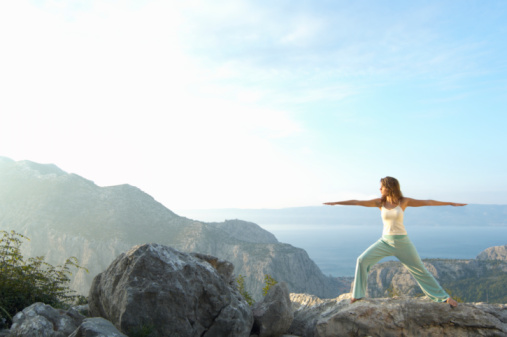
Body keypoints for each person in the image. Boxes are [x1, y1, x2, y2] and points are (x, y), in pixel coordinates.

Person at [324, 176, 466, 307]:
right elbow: (357, 202)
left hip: (402, 243)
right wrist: (336, 203)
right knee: (362, 260)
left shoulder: (403, 201)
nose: (379, 189)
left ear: (390, 187)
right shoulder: (380, 203)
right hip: (385, 242)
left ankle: (443, 297)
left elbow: (427, 202)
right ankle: (357, 295)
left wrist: (450, 203)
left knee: (420, 270)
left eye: (381, 186)